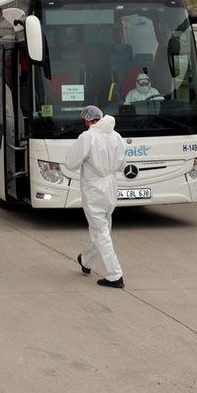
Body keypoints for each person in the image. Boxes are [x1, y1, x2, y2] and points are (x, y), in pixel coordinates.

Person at [64, 105, 127, 289]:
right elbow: (122, 163)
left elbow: (71, 163)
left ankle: (115, 275)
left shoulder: (87, 137)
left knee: (100, 231)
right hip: (111, 186)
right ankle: (87, 261)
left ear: (87, 120)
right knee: (101, 226)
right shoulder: (116, 136)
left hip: (94, 189)